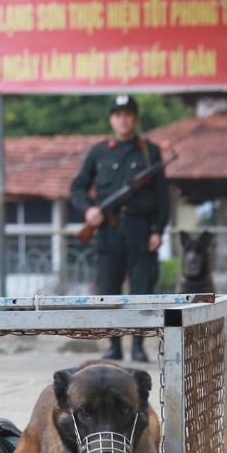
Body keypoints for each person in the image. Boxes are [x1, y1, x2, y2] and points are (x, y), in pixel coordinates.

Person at [69, 94, 170, 362]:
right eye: (118, 115)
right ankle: (113, 345)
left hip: (140, 229)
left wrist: (158, 230)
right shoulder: (99, 152)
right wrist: (90, 209)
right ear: (112, 119)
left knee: (141, 292)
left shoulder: (150, 152)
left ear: (135, 119)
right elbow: (78, 187)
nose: (123, 119)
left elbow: (163, 198)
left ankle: (138, 347)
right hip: (109, 231)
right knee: (109, 292)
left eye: (128, 114)